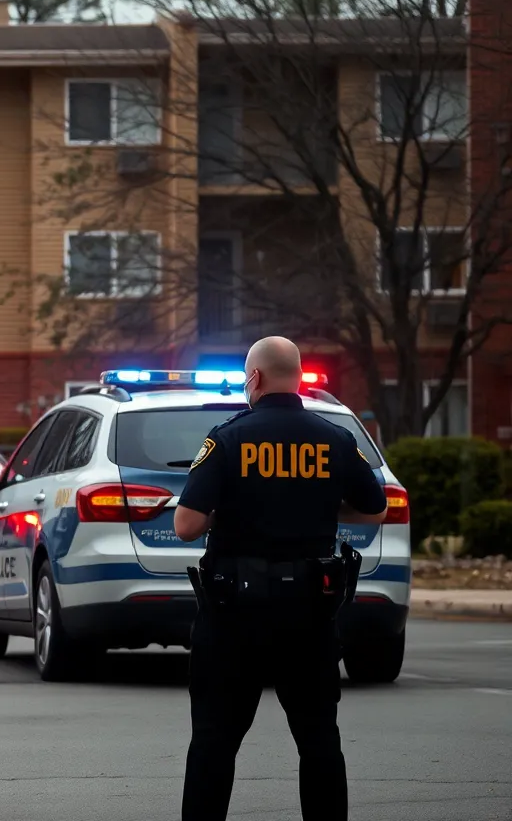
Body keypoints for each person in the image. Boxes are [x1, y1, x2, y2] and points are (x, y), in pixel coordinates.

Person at [174, 336, 387, 821]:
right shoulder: (335, 438)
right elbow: (376, 509)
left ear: (254, 378)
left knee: (214, 740)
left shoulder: (228, 438)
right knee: (318, 739)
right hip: (309, 613)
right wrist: (321, 507)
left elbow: (186, 525)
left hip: (235, 615)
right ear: (298, 375)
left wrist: (228, 510)